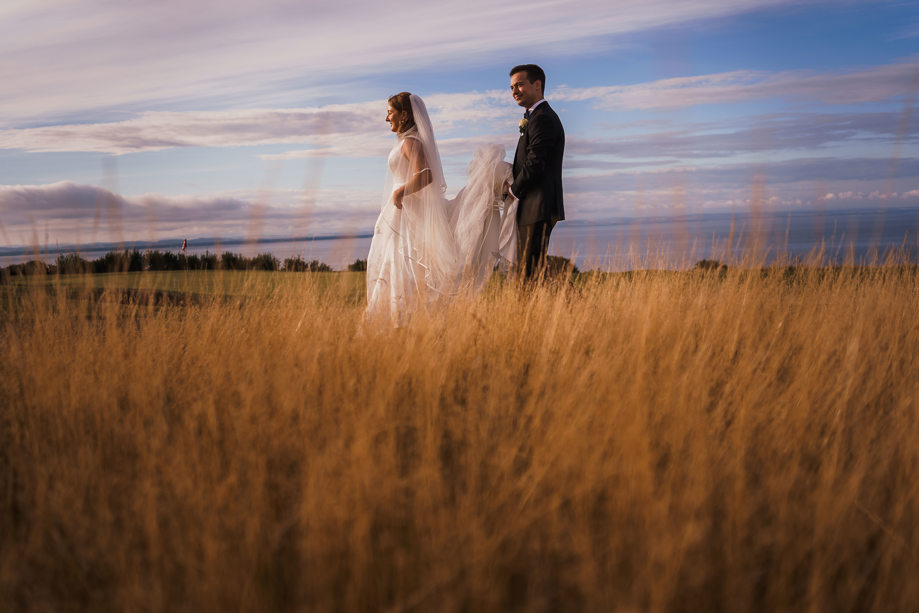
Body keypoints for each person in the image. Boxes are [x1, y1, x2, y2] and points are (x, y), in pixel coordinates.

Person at [365, 93, 515, 324]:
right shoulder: (407, 141)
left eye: (390, 112)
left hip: (408, 213)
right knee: (395, 265)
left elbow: (426, 176)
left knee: (404, 266)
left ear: (404, 115)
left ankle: (401, 321)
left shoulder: (410, 142)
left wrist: (400, 191)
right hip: (401, 213)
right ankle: (394, 319)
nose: (387, 118)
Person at [508, 64, 565, 279]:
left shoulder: (542, 118)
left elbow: (535, 163)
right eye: (512, 87)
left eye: (520, 85)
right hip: (533, 207)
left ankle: (528, 312)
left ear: (537, 85)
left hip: (537, 206)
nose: (514, 92)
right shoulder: (534, 117)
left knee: (528, 274)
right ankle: (575, 307)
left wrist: (513, 190)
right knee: (535, 270)